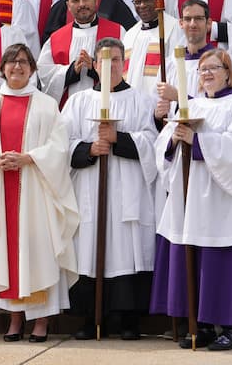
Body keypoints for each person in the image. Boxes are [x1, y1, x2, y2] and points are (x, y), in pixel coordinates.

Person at [150, 49, 232, 351]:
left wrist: (196, 141)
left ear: (228, 72)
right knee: (193, 257)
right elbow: (163, 147)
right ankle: (199, 325)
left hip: (224, 198)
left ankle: (227, 328)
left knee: (221, 260)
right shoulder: (190, 105)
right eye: (202, 70)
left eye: (214, 68)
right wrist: (174, 138)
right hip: (189, 197)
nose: (207, 74)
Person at [0, 44, 79, 342]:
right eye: (11, 62)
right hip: (0, 187)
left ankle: (40, 322)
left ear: (32, 68)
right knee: (8, 252)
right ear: (2, 68)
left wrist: (30, 158)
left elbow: (59, 147)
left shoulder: (45, 105)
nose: (17, 67)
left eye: (23, 62)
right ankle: (15, 319)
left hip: (35, 189)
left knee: (36, 252)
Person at [61, 38, 158, 341]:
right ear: (95, 65)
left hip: (128, 188)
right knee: (89, 249)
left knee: (126, 251)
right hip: (90, 188)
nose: (110, 66)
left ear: (124, 62)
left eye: (115, 60)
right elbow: (61, 144)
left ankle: (128, 319)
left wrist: (120, 139)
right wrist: (89, 149)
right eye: (104, 60)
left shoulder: (141, 100)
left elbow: (154, 143)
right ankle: (91, 318)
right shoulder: (77, 102)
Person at [38, 0, 125, 106]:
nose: (82, 4)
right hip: (70, 108)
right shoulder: (56, 38)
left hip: (110, 105)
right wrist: (71, 71)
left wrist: (95, 68)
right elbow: (44, 74)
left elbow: (127, 68)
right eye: (75, 0)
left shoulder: (118, 31)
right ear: (68, 5)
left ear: (96, 0)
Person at [154, 0, 217, 123]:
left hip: (204, 137)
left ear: (208, 23)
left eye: (198, 18)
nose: (193, 24)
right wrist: (158, 115)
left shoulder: (220, 62)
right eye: (188, 19)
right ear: (181, 23)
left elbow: (220, 108)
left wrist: (178, 97)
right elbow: (157, 108)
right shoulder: (169, 64)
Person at [122, 0, 180, 96]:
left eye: (147, 0)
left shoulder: (174, 28)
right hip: (135, 103)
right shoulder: (130, 34)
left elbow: (177, 70)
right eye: (137, 2)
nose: (142, 5)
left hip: (161, 102)